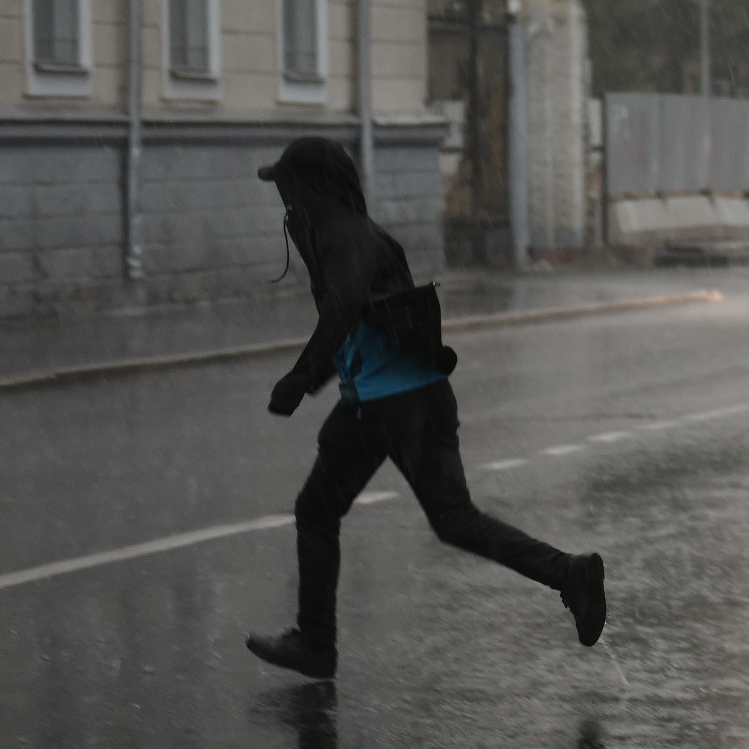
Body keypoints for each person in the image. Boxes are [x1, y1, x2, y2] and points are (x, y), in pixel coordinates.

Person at [246, 136, 606, 681]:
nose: (286, 202)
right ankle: (568, 573)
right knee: (347, 512)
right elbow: (360, 325)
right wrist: (314, 378)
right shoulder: (348, 237)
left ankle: (318, 643)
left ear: (316, 188)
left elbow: (343, 307)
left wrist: (300, 378)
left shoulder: (349, 238)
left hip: (399, 405)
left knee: (424, 517)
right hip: (385, 402)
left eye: (290, 188)